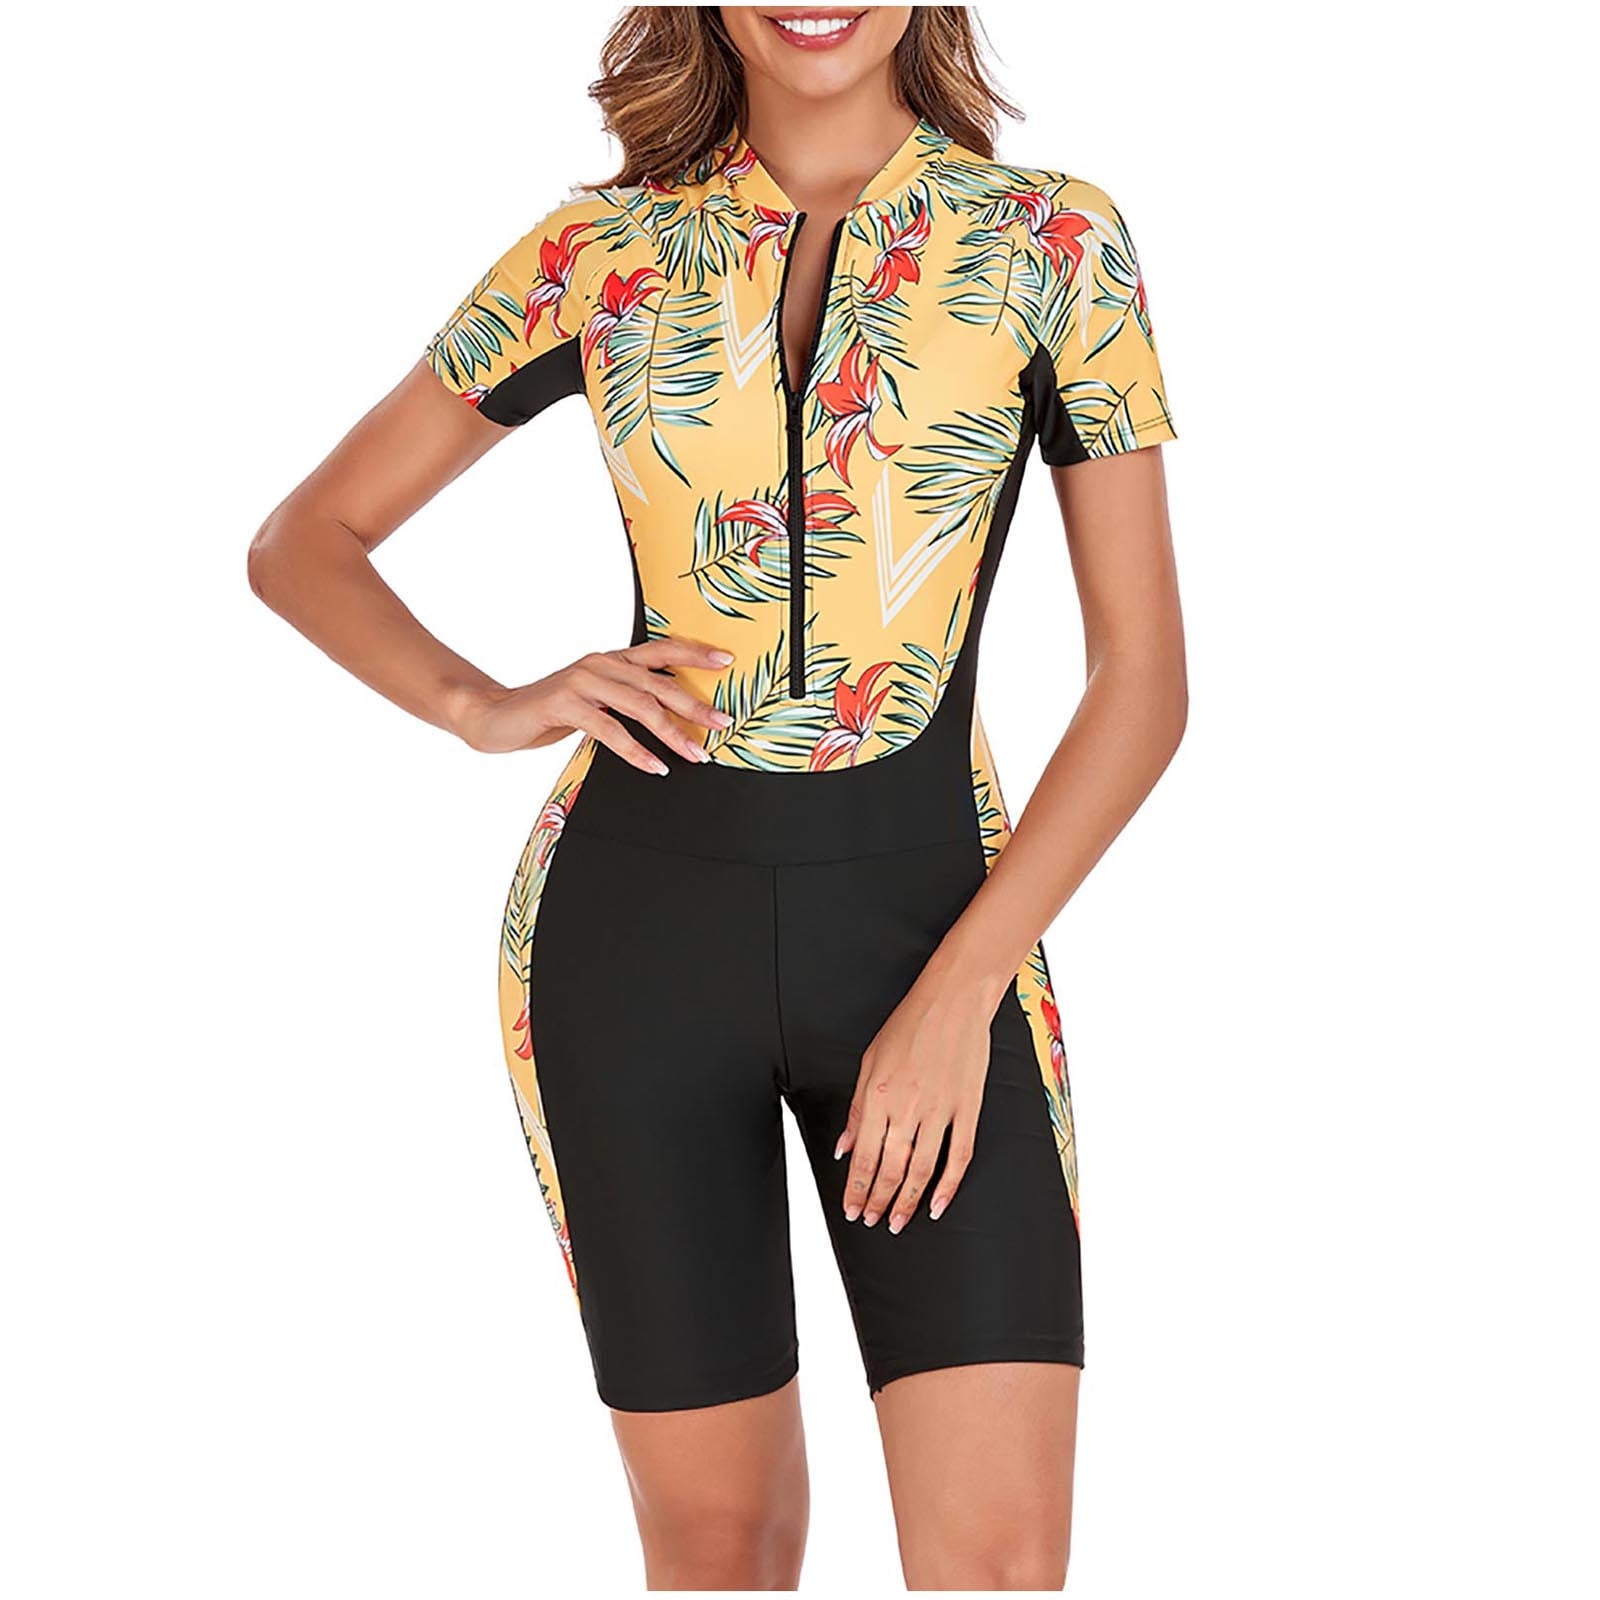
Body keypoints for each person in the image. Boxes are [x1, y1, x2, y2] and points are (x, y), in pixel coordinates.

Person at [246, 5, 1186, 1590]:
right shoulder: (602, 254)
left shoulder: (1050, 241)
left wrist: (960, 992)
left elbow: (1142, 684)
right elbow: (303, 543)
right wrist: (485, 706)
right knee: (720, 1548)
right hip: (632, 944)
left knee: (998, 1565)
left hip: (931, 936)